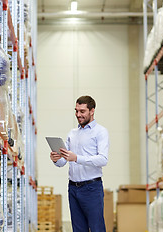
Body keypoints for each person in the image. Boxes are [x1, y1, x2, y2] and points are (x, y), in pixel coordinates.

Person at [50, 95, 109, 232]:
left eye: (82, 111)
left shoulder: (100, 132)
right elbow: (63, 161)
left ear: (92, 111)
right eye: (76, 111)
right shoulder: (72, 133)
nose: (78, 115)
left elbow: (103, 159)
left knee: (96, 228)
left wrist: (76, 158)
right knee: (78, 229)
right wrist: (56, 159)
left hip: (91, 188)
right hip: (73, 188)